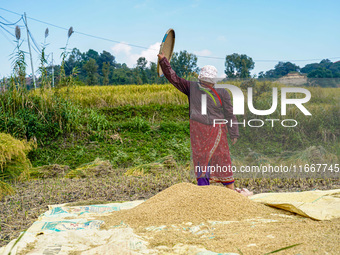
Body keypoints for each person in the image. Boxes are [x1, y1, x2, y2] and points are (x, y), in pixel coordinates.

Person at [158, 52, 253, 196]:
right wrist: (163, 61)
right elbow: (173, 78)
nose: (206, 85)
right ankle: (206, 193)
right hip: (202, 131)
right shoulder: (193, 88)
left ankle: (229, 193)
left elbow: (229, 113)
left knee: (218, 158)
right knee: (205, 159)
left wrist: (234, 132)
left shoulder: (218, 92)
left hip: (214, 130)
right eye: (204, 82)